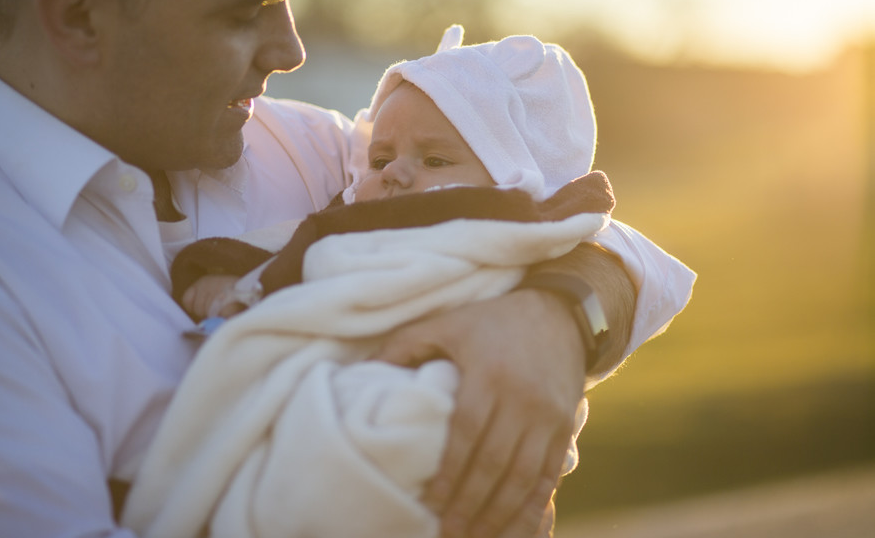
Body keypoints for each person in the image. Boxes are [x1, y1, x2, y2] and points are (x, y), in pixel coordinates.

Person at [0, 0, 695, 537]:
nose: (290, 50)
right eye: (244, 12)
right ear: (77, 19)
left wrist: (555, 315)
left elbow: (540, 207)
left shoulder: (302, 145)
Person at [121, 27, 628, 538]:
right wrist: (233, 276)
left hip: (437, 405)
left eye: (434, 161)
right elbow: (288, 244)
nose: (396, 174)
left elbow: (615, 245)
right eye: (381, 160)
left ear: (514, 180)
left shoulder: (504, 228)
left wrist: (560, 312)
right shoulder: (355, 211)